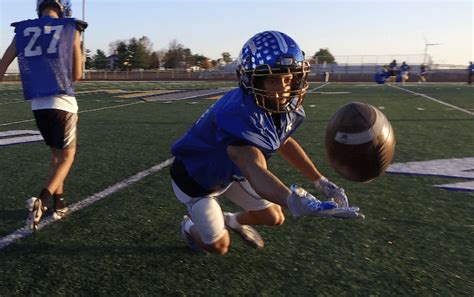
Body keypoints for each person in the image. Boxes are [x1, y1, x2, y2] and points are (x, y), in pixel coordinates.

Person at [169, 31, 363, 255]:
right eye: (272, 79)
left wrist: (320, 180)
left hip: (229, 173)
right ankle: (188, 227)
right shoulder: (238, 113)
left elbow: (283, 140)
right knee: (219, 247)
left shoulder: (279, 106)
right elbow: (253, 166)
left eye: (288, 78)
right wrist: (294, 200)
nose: (283, 89)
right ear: (252, 79)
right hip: (196, 179)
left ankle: (232, 221)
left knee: (274, 217)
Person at [0, 0, 87, 231]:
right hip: (63, 102)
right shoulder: (70, 28)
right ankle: (44, 200)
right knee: (67, 158)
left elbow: (2, 66)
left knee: (56, 157)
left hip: (38, 105)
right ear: (63, 7)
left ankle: (60, 204)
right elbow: (76, 75)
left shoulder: (23, 30)